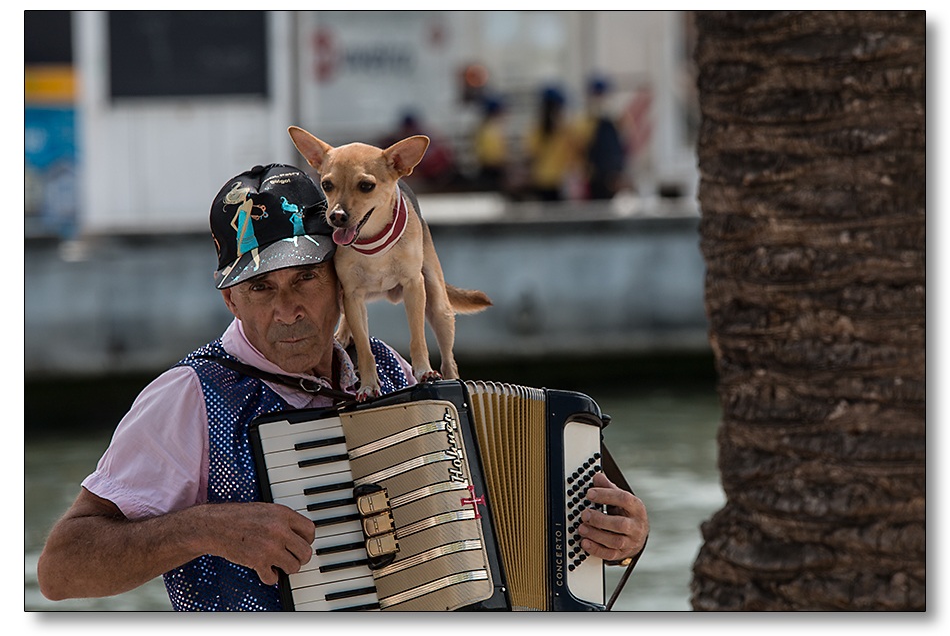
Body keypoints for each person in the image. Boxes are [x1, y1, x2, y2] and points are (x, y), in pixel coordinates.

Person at [36, 164, 648, 611]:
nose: (289, 310)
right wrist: (205, 528)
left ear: (338, 276)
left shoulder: (394, 373)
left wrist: (610, 535)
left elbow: (484, 531)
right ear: (229, 297)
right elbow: (61, 568)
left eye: (305, 279)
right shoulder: (188, 398)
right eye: (260, 289)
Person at [524, 86, 582, 202]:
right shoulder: (564, 130)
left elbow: (531, 155)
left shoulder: (536, 130)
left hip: (544, 179)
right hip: (558, 180)